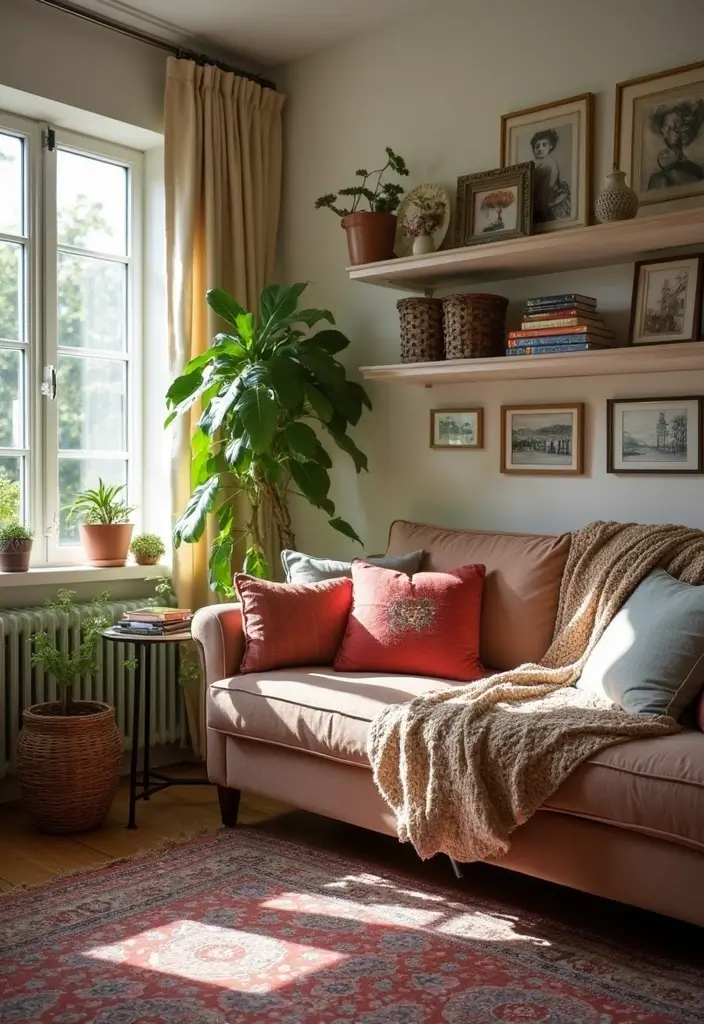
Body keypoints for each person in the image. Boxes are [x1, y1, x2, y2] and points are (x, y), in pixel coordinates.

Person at [647, 100, 704, 191]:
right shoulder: (657, 179)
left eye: (676, 127)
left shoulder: (698, 173)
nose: (666, 131)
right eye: (666, 126)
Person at [530, 128, 571, 222]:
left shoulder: (549, 164)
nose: (540, 149)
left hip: (548, 203)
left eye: (544, 145)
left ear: (550, 146)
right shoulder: (536, 165)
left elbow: (549, 186)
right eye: (537, 146)